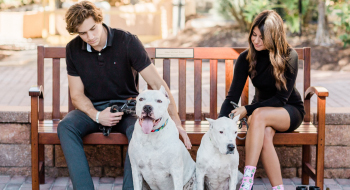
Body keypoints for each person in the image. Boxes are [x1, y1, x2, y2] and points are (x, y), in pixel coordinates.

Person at [57, 1, 192, 190]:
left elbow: (157, 84)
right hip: (93, 109)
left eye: (93, 29)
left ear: (99, 20)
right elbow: (77, 95)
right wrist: (97, 115)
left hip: (127, 108)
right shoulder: (73, 49)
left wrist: (176, 122)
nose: (90, 36)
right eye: (83, 33)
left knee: (137, 131)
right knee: (66, 126)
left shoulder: (127, 41)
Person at [219, 10, 305, 190]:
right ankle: (278, 188)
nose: (256, 40)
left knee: (257, 115)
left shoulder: (289, 56)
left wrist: (248, 110)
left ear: (274, 36)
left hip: (288, 110)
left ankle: (246, 182)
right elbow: (232, 97)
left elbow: (281, 99)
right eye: (254, 35)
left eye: (262, 37)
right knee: (264, 133)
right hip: (260, 112)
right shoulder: (246, 58)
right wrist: (220, 124)